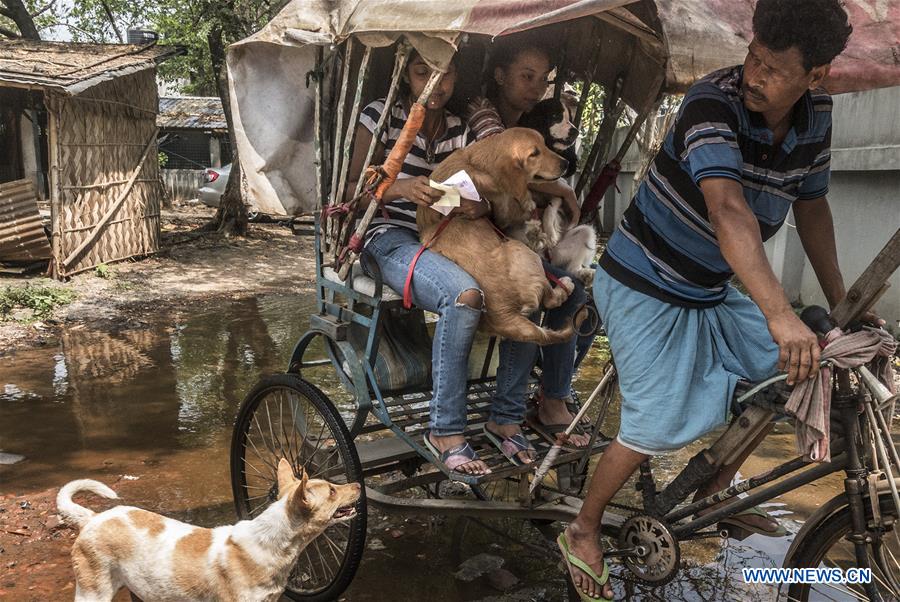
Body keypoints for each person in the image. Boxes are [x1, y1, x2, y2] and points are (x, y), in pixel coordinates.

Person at [558, 1, 861, 599]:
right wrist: (779, 313)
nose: (753, 74)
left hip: (711, 288)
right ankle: (583, 529)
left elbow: (813, 205)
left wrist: (840, 300)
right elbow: (728, 209)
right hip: (644, 283)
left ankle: (711, 491)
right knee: (656, 421)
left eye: (773, 69)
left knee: (796, 373)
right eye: (753, 57)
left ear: (816, 77)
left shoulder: (816, 116)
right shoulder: (711, 101)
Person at [344, 51, 534, 475]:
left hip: (452, 235)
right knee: (462, 296)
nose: (435, 82)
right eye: (421, 72)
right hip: (388, 235)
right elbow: (351, 186)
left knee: (526, 293)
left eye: (444, 72)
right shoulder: (380, 116)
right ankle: (444, 430)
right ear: (405, 75)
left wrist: (477, 205)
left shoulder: (460, 129)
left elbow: (490, 195)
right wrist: (400, 188)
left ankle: (505, 419)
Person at [466, 37, 591, 449]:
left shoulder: (533, 122)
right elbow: (510, 173)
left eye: (543, 79)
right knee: (542, 293)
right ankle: (507, 416)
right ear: (500, 75)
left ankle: (551, 397)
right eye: (526, 76)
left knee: (587, 296)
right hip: (474, 233)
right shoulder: (483, 114)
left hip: (512, 234)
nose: (536, 87)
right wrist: (564, 190)